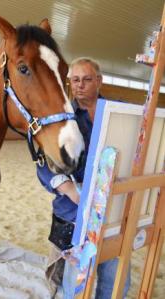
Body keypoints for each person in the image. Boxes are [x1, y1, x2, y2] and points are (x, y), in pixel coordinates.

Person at [37, 57, 131, 299]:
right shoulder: (59, 117)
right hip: (73, 212)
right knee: (74, 285)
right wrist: (68, 188)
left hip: (115, 209)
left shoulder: (119, 111)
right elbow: (43, 163)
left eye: (87, 79)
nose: (80, 85)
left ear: (99, 80)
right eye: (75, 80)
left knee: (114, 280)